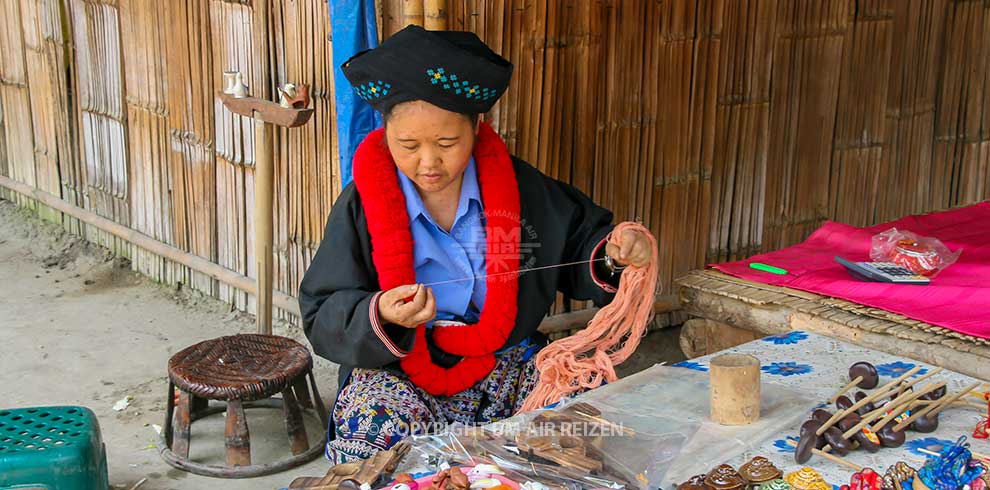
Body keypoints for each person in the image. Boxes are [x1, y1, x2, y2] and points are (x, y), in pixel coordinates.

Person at [299, 24, 654, 464]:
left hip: (503, 361)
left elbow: (582, 243)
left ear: (475, 127)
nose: (428, 163)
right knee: (370, 437)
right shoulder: (362, 204)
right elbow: (323, 308)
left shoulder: (517, 187)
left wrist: (617, 251)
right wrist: (384, 313)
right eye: (407, 145)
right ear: (386, 133)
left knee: (582, 411)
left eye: (447, 143)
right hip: (402, 370)